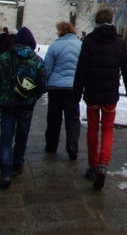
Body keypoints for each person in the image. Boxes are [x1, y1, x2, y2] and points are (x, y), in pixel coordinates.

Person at [73, 8, 127, 190]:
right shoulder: (119, 42)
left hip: (92, 93)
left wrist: (76, 93)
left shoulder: (89, 41)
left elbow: (81, 70)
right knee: (107, 129)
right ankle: (103, 165)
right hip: (109, 94)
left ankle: (93, 165)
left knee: (92, 128)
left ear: (96, 23)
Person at [0, 26, 47, 189]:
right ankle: (17, 163)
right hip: (26, 105)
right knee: (22, 135)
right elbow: (43, 85)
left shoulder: (4, 58)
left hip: (7, 104)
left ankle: (5, 172)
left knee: (6, 137)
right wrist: (33, 97)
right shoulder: (36, 61)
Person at [44, 21, 82, 160]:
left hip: (55, 87)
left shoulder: (55, 45)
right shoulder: (80, 45)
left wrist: (45, 82)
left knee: (54, 117)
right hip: (72, 87)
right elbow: (83, 66)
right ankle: (72, 146)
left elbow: (47, 67)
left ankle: (51, 145)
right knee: (72, 118)